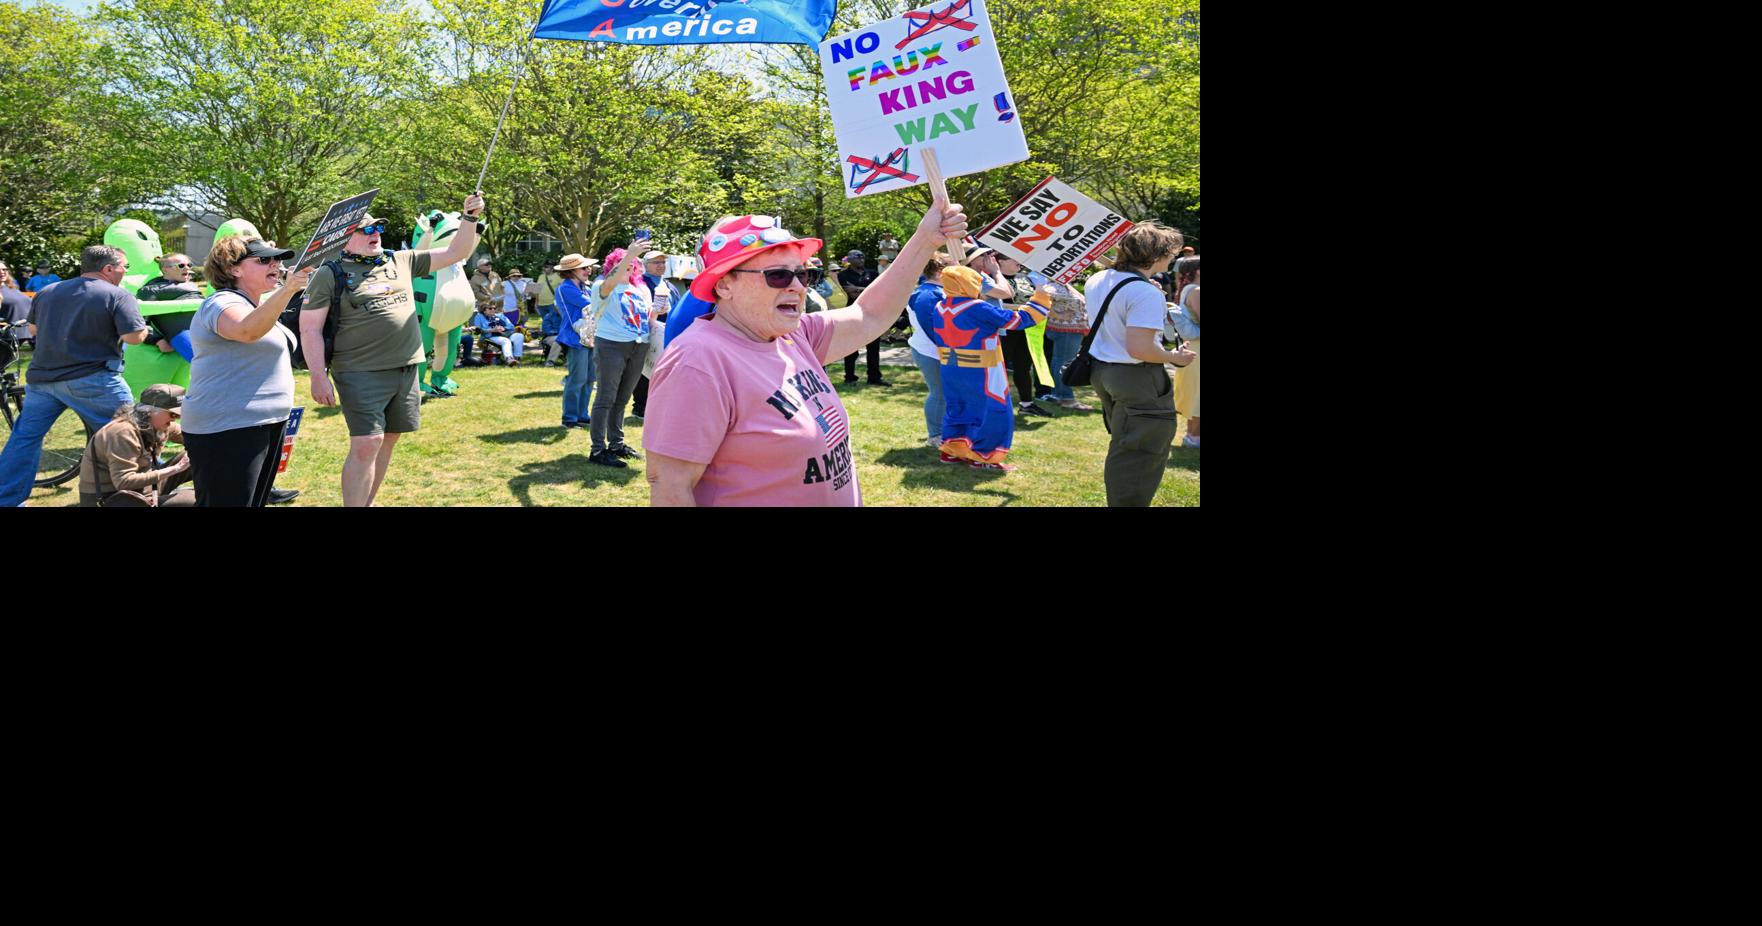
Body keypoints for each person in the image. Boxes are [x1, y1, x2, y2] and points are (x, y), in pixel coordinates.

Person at [643, 200, 969, 506]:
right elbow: (671, 485)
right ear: (724, 285)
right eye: (778, 275)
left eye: (802, 274)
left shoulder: (793, 335)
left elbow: (869, 314)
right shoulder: (698, 361)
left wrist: (926, 240)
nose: (798, 287)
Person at [300, 192, 484, 507]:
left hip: (406, 368)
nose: (375, 235)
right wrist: (318, 375)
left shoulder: (401, 259)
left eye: (378, 229)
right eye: (366, 230)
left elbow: (457, 251)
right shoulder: (329, 273)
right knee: (367, 443)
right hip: (359, 372)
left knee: (387, 441)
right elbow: (310, 328)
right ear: (346, 239)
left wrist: (470, 218)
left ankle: (365, 501)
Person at [0, 245, 149, 506]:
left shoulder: (47, 292)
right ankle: (145, 494)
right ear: (108, 269)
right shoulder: (119, 295)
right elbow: (133, 338)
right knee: (131, 434)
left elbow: (33, 330)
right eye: (125, 267)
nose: (126, 272)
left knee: (25, 440)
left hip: (43, 381)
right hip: (95, 380)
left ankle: (6, 499)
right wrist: (144, 328)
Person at [180, 237, 314, 506]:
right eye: (264, 260)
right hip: (227, 426)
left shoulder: (260, 305)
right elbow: (246, 330)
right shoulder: (220, 302)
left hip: (266, 423)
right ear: (233, 269)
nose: (275, 264)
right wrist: (288, 289)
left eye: (277, 259)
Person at [1082, 222, 1196, 506]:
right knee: (1140, 453)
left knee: (1125, 444)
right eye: (1171, 252)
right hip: (1135, 376)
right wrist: (1173, 357)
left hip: (1103, 370)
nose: (1174, 257)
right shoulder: (1143, 292)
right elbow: (1141, 348)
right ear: (1156, 254)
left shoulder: (1100, 278)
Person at [917, 266, 1048, 472]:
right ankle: (984, 456)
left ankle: (953, 450)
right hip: (983, 369)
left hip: (952, 368)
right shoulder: (977, 307)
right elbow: (1018, 321)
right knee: (993, 410)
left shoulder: (940, 306)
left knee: (958, 407)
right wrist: (1041, 294)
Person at [586, 242, 653, 468]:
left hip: (638, 345)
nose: (628, 268)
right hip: (612, 346)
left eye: (631, 265)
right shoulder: (601, 286)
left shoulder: (637, 290)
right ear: (611, 267)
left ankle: (616, 443)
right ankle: (597, 450)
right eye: (622, 264)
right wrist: (629, 254)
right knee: (606, 398)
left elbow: (641, 316)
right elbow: (610, 282)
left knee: (622, 399)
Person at [77, 383, 195, 507]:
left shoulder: (160, 424)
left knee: (201, 454)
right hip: (114, 498)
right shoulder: (122, 433)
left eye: (179, 414)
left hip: (142, 489)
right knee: (194, 500)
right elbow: (124, 481)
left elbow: (195, 438)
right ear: (150, 411)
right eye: (173, 414)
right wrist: (174, 469)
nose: (176, 419)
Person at [905, 253, 952, 448]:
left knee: (944, 393)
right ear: (941, 271)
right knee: (938, 393)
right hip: (930, 350)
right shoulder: (926, 293)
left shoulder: (935, 291)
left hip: (936, 349)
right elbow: (930, 326)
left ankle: (944, 431)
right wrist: (947, 346)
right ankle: (935, 435)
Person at [630, 250, 681, 422]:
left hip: (668, 331)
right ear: (645, 265)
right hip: (649, 331)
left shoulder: (668, 284)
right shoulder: (640, 283)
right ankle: (640, 407)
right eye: (656, 262)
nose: (661, 265)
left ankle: (659, 406)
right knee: (645, 369)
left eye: (663, 262)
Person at [553, 252, 597, 430]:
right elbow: (592, 304)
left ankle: (582, 415)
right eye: (584, 268)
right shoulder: (566, 288)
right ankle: (569, 418)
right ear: (571, 271)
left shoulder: (583, 286)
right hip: (574, 338)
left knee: (589, 379)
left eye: (588, 267)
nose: (589, 270)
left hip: (589, 337)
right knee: (577, 379)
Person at [1039, 274, 1092, 410]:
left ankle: (1059, 394)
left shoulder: (1063, 286)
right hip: (1066, 330)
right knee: (1064, 363)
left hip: (1070, 330)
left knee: (1060, 361)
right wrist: (1058, 315)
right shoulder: (1052, 287)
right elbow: (1039, 301)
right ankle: (1065, 397)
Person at [837, 250, 886, 385]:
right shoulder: (843, 275)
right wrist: (866, 290)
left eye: (863, 256)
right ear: (850, 260)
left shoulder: (872, 273)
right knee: (851, 348)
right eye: (858, 257)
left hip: (871, 314)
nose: (861, 259)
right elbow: (850, 295)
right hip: (851, 315)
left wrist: (857, 288)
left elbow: (878, 291)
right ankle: (850, 378)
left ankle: (874, 377)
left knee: (874, 348)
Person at [1170, 256, 1201, 449]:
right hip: (1198, 348)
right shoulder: (1196, 290)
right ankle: (1193, 437)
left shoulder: (1188, 289)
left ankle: (1192, 436)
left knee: (1195, 392)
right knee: (1197, 394)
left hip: (1193, 347)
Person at [137, 253, 202, 302]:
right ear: (165, 270)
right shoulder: (150, 291)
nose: (187, 268)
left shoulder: (191, 285)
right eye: (181, 265)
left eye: (189, 265)